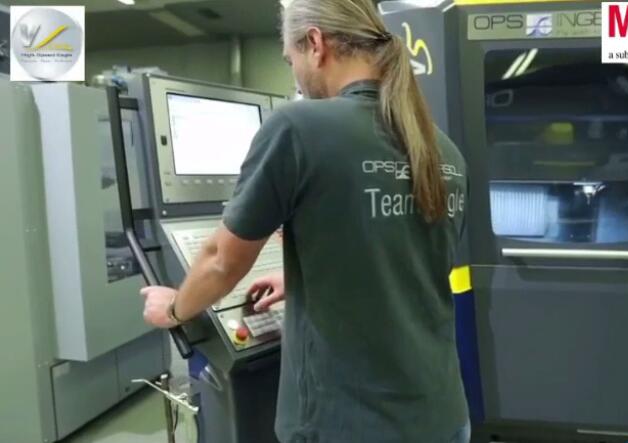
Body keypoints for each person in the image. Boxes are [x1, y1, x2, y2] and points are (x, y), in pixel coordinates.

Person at [140, 0, 469, 441]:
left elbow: (221, 260)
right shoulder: (442, 149)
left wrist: (174, 308)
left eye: (289, 59)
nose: (295, 74)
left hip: (348, 424)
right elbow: (409, 261)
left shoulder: (298, 127)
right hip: (442, 414)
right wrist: (303, 278)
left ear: (315, 43)